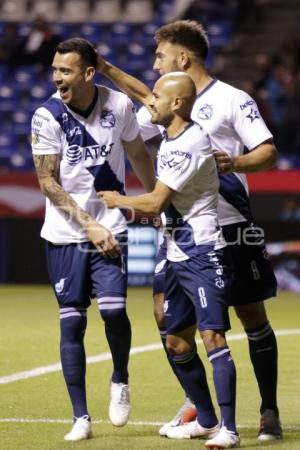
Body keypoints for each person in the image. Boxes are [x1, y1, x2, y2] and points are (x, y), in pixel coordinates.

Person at [97, 19, 282, 441]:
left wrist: (232, 162)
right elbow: (137, 109)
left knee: (251, 316)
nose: (154, 65)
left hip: (230, 226)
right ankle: (200, 408)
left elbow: (268, 153)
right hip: (180, 234)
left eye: (160, 56)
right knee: (166, 316)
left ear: (183, 57)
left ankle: (267, 409)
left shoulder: (233, 100)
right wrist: (104, 70)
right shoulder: (165, 102)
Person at [100, 71, 240, 449]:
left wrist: (117, 199)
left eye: (159, 97)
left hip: (202, 252)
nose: (151, 102)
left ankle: (229, 428)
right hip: (176, 252)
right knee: (177, 342)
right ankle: (206, 419)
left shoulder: (187, 144)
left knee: (212, 336)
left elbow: (155, 202)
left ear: (177, 103)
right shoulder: (171, 131)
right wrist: (104, 66)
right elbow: (143, 92)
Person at [31, 37, 156, 441]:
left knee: (115, 312)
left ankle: (120, 379)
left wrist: (154, 199)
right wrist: (89, 225)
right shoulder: (46, 115)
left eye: (65, 71)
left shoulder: (117, 105)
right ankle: (80, 417)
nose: (57, 78)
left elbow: (137, 153)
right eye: (54, 70)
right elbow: (47, 180)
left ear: (88, 73)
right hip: (67, 234)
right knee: (72, 324)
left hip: (112, 227)